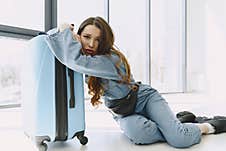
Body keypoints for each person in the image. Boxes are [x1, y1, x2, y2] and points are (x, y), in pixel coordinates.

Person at [44, 16, 226, 148]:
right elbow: (73, 58)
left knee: (179, 140)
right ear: (80, 36)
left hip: (144, 98)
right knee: (140, 135)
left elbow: (74, 60)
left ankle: (205, 126)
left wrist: (64, 30)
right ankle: (176, 122)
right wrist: (70, 37)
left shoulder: (109, 60)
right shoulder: (90, 63)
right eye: (86, 37)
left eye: (98, 40)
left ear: (105, 41)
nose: (92, 44)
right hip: (123, 112)